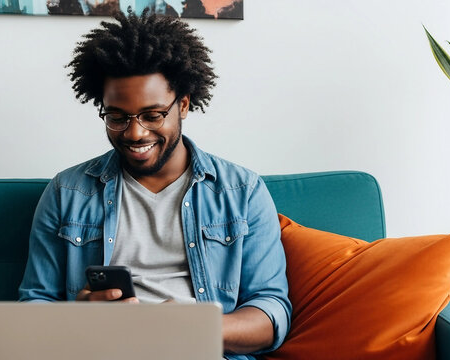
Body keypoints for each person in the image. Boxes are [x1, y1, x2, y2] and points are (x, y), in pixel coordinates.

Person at [18, 9, 291, 359]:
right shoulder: (67, 192)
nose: (135, 133)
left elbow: (271, 313)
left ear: (184, 105)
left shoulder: (242, 192)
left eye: (153, 115)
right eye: (117, 117)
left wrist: (195, 329)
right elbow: (34, 303)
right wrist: (78, 319)